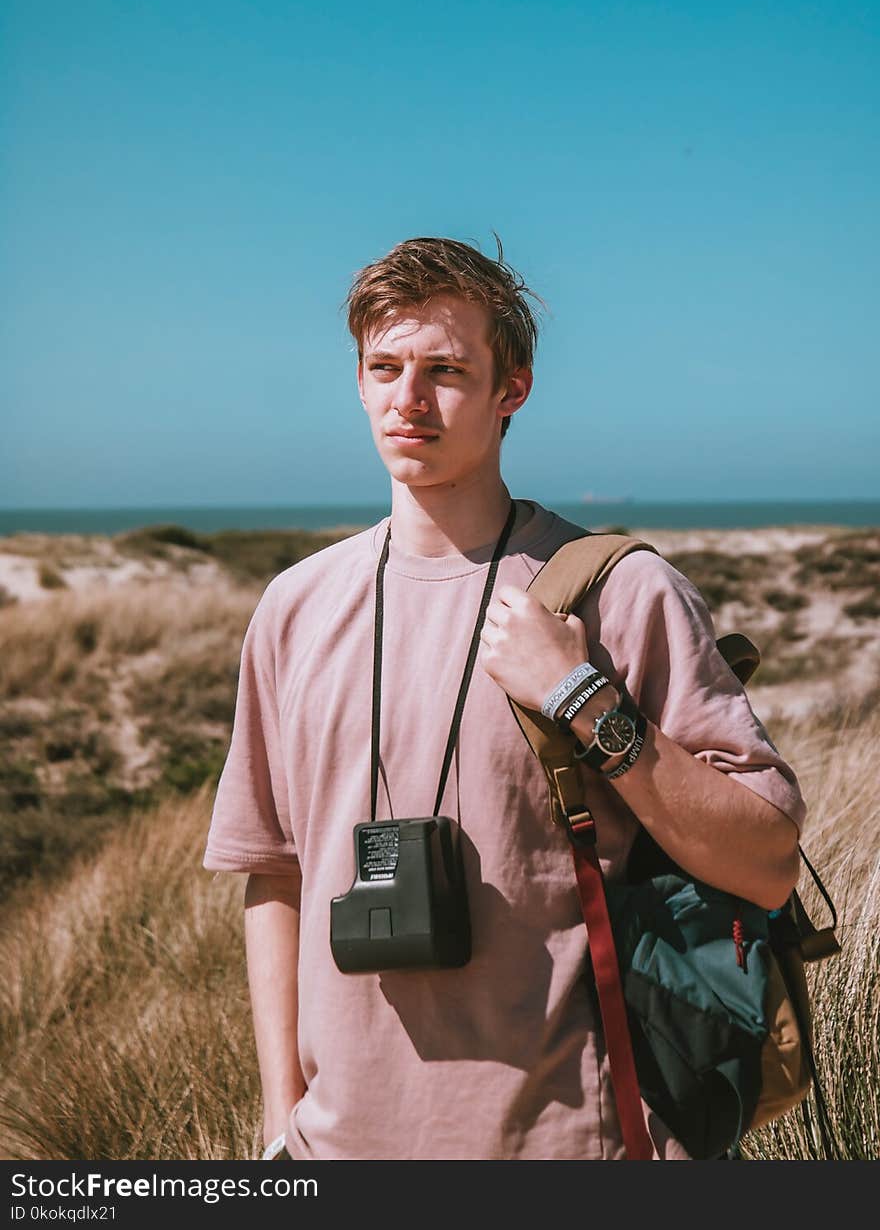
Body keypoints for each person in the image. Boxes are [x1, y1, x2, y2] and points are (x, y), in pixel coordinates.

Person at [202, 236, 805, 1161]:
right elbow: (273, 873)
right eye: (385, 367)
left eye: (445, 370)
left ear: (510, 389)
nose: (409, 400)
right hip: (337, 1152)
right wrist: (280, 1121)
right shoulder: (294, 608)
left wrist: (579, 692)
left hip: (575, 1146)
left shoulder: (620, 592)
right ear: (358, 382)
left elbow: (766, 861)